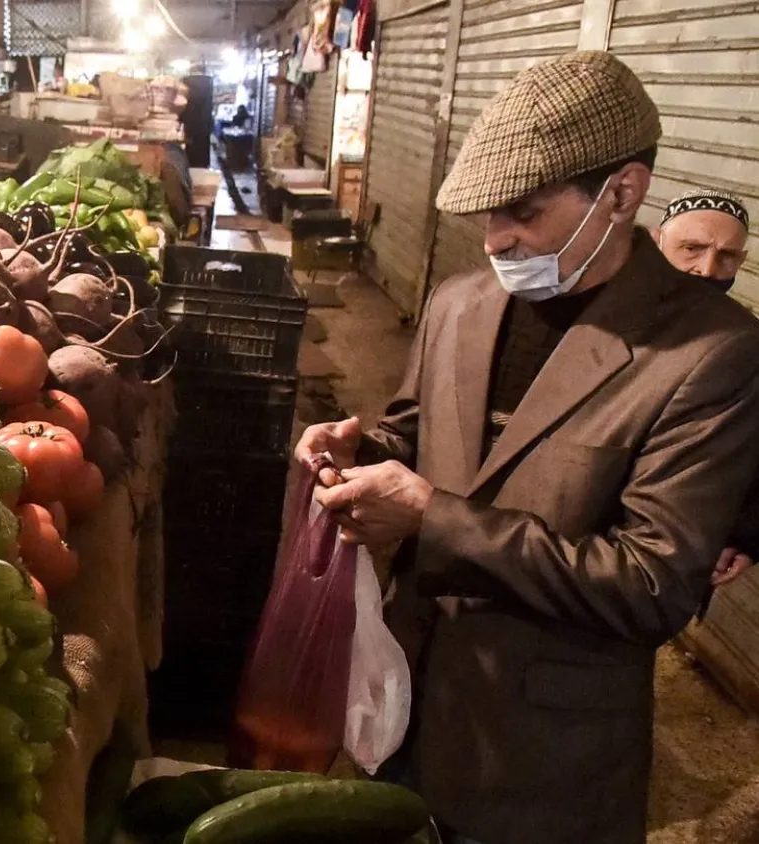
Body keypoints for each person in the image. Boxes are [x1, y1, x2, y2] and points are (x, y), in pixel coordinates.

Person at [295, 51, 759, 844]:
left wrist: (429, 517)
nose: (498, 241)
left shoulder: (709, 351)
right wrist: (363, 446)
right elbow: (419, 431)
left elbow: (652, 584)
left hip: (542, 753)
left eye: (524, 212)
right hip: (409, 693)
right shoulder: (460, 302)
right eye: (485, 216)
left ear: (621, 192)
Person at [658, 190, 756, 590]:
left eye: (727, 256)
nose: (708, 269)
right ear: (656, 243)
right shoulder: (604, 321)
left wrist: (746, 535)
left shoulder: (747, 346)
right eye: (692, 248)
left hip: (666, 564)